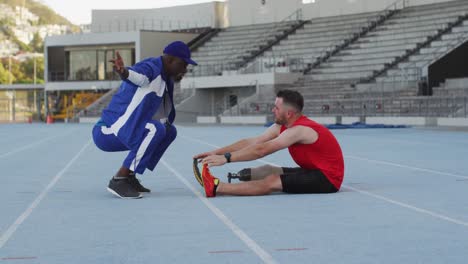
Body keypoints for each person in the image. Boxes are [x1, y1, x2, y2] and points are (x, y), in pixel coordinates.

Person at [92, 41, 197, 199]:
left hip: (124, 128)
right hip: (107, 130)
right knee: (155, 129)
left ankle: (129, 176)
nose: (185, 69)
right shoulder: (151, 68)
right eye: (182, 64)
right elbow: (138, 77)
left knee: (169, 131)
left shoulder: (164, 78)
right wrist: (124, 72)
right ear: (169, 60)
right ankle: (119, 179)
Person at [193, 90, 344, 197]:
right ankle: (238, 180)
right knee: (268, 169)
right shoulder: (282, 126)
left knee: (272, 181)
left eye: (276, 108)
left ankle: (217, 187)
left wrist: (226, 158)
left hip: (328, 179)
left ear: (289, 113)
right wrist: (217, 152)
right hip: (312, 170)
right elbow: (252, 142)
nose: (273, 110)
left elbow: (262, 150)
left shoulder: (299, 130)